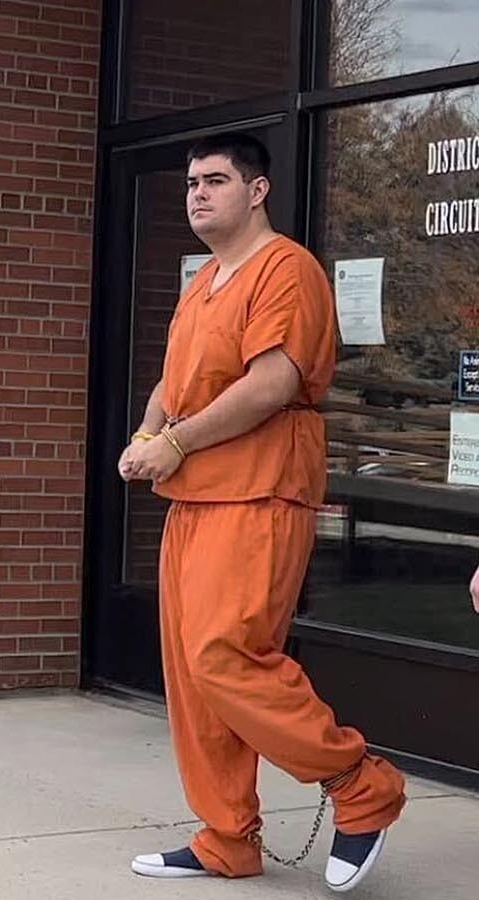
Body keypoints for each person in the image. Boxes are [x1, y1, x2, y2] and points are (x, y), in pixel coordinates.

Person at [118, 132, 405, 893]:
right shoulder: (204, 280)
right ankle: (226, 838)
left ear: (257, 190)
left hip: (259, 490)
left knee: (227, 655)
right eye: (190, 183)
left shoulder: (287, 270)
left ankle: (360, 785)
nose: (198, 194)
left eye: (216, 180)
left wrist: (173, 441)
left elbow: (272, 382)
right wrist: (150, 433)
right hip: (194, 498)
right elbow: (173, 385)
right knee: (192, 674)